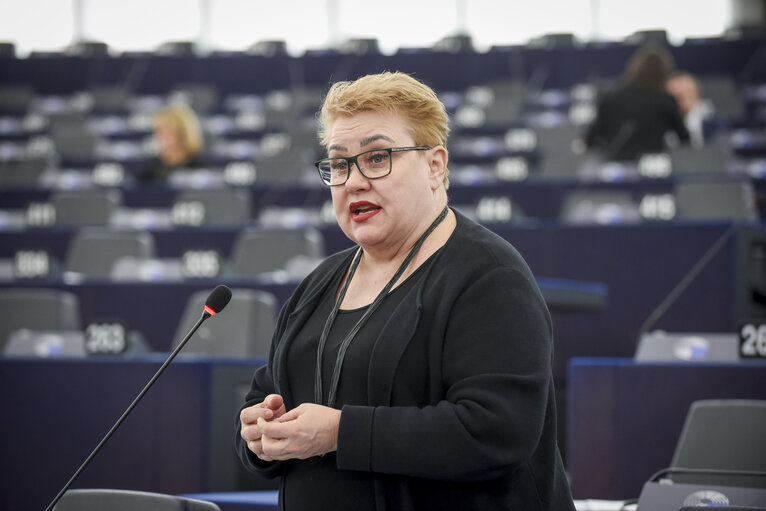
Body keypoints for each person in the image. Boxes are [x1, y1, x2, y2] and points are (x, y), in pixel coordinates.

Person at [235, 71, 575, 511]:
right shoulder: (320, 283)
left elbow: (496, 431)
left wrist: (340, 432)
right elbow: (268, 393)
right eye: (339, 164)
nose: (354, 180)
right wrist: (259, 434)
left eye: (377, 158)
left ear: (436, 166)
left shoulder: (489, 274)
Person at [584, 44, 690, 161]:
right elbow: (684, 138)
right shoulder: (665, 99)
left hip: (617, 163)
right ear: (665, 72)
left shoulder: (611, 96)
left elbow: (591, 138)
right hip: (652, 166)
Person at [138, 105, 204, 183]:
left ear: (183, 134)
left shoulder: (201, 170)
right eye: (158, 131)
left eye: (166, 131)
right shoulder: (150, 171)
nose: (159, 136)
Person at [666, 71, 711, 147]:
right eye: (674, 97)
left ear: (697, 96)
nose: (677, 103)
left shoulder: (711, 122)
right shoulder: (662, 124)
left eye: (681, 97)